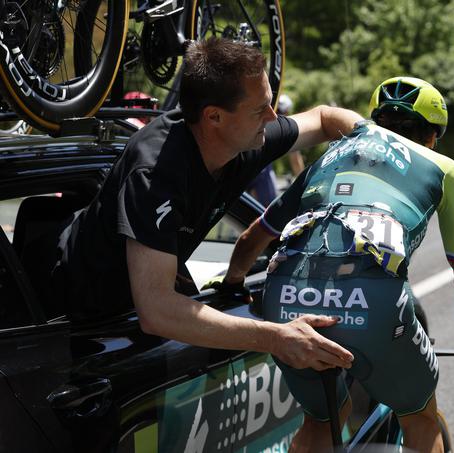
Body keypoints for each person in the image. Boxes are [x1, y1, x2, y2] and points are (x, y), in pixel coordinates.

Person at [223, 76, 454, 452]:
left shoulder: (330, 156)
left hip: (287, 299)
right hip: (371, 305)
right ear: (434, 135)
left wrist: (231, 285)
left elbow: (250, 240)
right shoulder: (443, 167)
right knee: (419, 415)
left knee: (323, 418)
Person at [46, 38, 363, 371]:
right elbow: (157, 311)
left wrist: (379, 142)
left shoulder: (246, 137)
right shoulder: (157, 174)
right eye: (260, 110)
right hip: (69, 323)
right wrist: (276, 337)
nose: (272, 118)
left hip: (128, 319)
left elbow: (325, 118)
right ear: (214, 117)